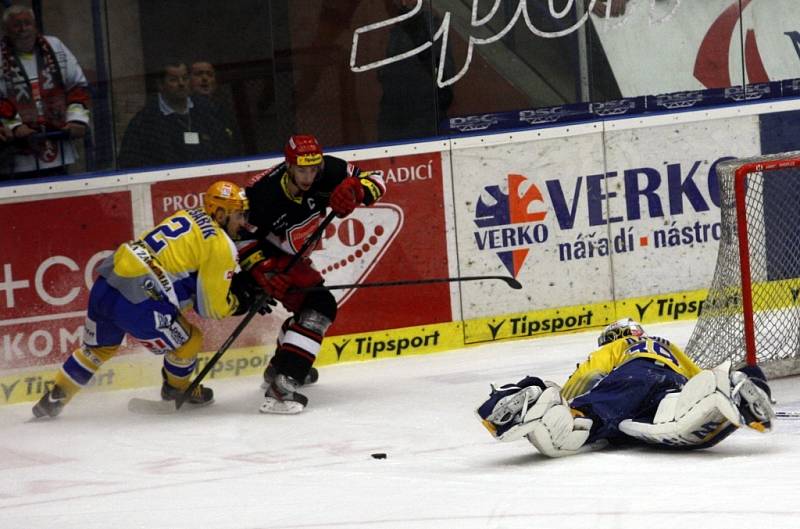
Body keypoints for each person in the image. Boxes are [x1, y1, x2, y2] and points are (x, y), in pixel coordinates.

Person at [32, 181, 271, 418]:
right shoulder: (221, 245)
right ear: (219, 213)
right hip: (139, 300)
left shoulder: (189, 214)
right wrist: (242, 301)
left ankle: (55, 396)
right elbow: (211, 308)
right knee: (190, 341)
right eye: (239, 215)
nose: (243, 222)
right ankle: (175, 391)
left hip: (108, 280)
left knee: (98, 349)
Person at [476, 318, 776, 457]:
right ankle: (741, 381)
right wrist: (715, 383)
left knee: (577, 427)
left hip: (632, 378)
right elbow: (700, 377)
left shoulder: (620, 346)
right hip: (669, 386)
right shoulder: (665, 344)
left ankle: (534, 394)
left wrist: (570, 401)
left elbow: (589, 374)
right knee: (686, 409)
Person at [239, 134, 386, 414]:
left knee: (310, 308)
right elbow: (238, 235)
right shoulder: (262, 194)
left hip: (293, 255)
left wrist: (358, 190)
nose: (308, 177)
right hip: (268, 255)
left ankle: (281, 367)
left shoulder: (328, 169)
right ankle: (283, 385)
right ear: (288, 167)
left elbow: (376, 179)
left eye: (313, 169)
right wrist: (261, 270)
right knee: (320, 306)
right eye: (301, 170)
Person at [0, 5, 91, 179]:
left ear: (35, 25)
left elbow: (77, 87)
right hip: (17, 161)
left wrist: (77, 121)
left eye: (27, 23)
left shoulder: (55, 46)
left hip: (60, 153)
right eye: (16, 25)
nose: (23, 29)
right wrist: (15, 126)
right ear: (6, 30)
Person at [117, 59, 235, 169]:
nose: (181, 83)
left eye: (185, 78)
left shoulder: (208, 110)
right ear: (160, 85)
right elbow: (130, 162)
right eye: (174, 80)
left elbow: (227, 148)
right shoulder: (145, 121)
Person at [377, 0, 454, 141]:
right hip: (402, 124)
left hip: (418, 126)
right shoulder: (401, 28)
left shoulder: (426, 26)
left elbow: (443, 88)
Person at [189, 60, 241, 155]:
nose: (205, 78)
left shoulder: (223, 108)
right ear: (189, 80)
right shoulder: (184, 110)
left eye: (209, 74)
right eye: (198, 74)